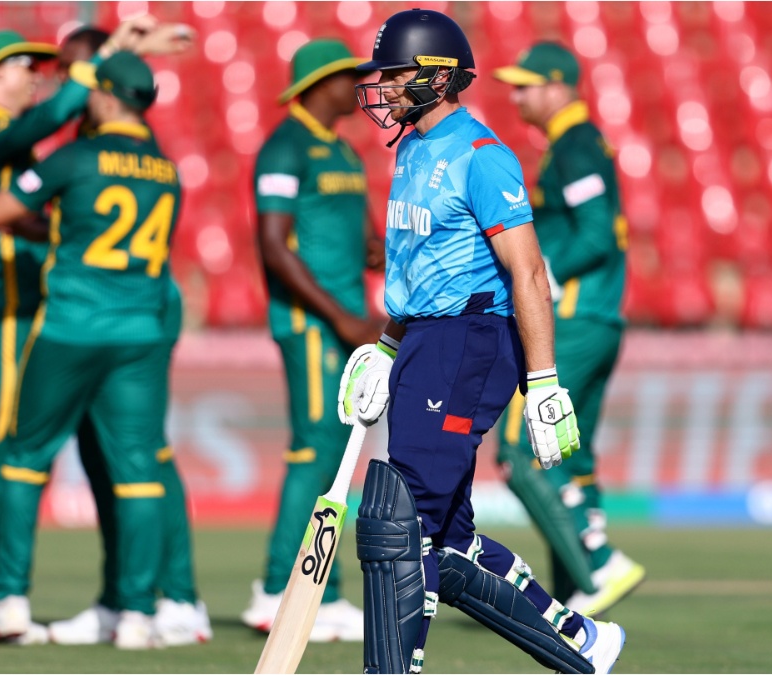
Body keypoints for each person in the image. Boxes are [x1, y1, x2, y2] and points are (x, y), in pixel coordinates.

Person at [339, 10, 624, 673]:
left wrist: (544, 382)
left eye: (397, 73)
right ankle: (581, 641)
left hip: (470, 341)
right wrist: (387, 347)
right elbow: (416, 268)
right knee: (446, 540)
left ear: (439, 78)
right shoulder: (411, 149)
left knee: (400, 520)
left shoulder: (483, 156)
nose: (385, 87)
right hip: (424, 340)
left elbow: (528, 273)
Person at [0, 19, 187, 646]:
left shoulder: (71, 156)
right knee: (138, 470)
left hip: (67, 327)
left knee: (21, 460)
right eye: (23, 66)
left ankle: (2, 601)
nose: (42, 78)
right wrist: (123, 52)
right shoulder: (167, 170)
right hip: (134, 334)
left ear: (103, 97)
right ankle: (137, 613)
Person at [46, 24, 212, 648]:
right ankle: (120, 596)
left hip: (134, 308)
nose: (69, 86)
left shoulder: (120, 144)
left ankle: (180, 597)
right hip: (107, 311)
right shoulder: (88, 142)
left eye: (78, 74)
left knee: (145, 454)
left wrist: (125, 51)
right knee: (103, 456)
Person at [493, 42, 645, 617]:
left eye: (526, 85)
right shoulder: (575, 145)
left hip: (575, 318)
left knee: (520, 449)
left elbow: (596, 233)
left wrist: (547, 278)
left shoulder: (576, 146)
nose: (516, 96)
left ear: (558, 86)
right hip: (600, 318)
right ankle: (576, 590)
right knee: (568, 454)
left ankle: (597, 564)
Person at [241, 38, 382, 642]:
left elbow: (358, 231)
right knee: (314, 447)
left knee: (336, 452)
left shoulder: (343, 150)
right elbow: (274, 248)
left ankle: (321, 589)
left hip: (348, 317)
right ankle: (277, 588)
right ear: (319, 83)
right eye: (349, 76)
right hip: (312, 323)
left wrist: (373, 248)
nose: (359, 86)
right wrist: (341, 317)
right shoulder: (285, 146)